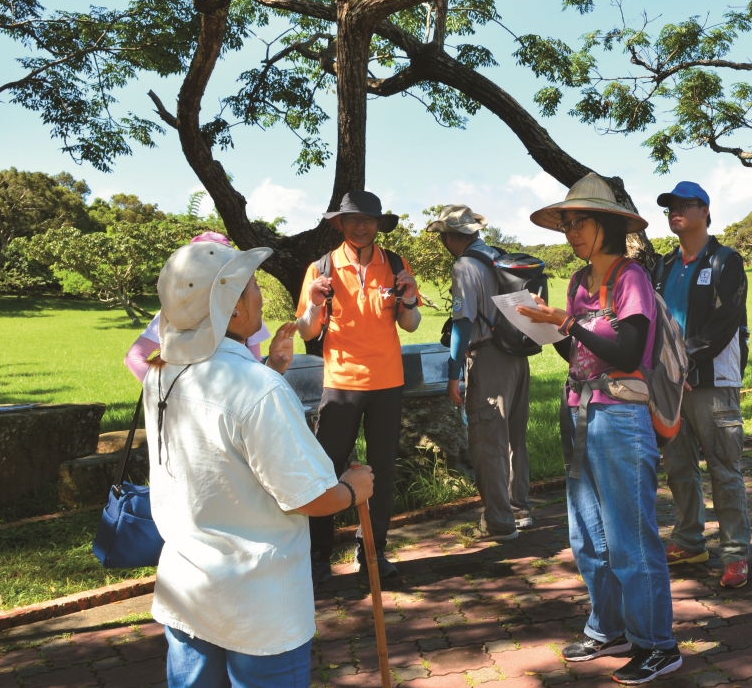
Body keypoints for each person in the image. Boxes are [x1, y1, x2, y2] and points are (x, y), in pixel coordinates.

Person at [147, 240, 375, 688]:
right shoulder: (255, 389)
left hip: (188, 583)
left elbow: (224, 444)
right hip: (260, 594)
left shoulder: (164, 375)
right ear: (230, 308)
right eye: (247, 288)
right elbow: (306, 496)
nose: (258, 296)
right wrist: (353, 490)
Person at [517, 173, 680, 685]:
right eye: (565, 224)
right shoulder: (576, 282)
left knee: (631, 536)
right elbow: (579, 353)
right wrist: (545, 329)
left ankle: (658, 643)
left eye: (578, 221)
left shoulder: (630, 278)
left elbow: (629, 351)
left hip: (621, 418)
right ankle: (607, 626)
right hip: (579, 410)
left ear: (606, 223)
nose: (570, 232)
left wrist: (568, 323)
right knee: (587, 534)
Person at [295, 192, 420, 588]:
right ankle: (318, 555)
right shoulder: (322, 268)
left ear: (378, 224)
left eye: (367, 219)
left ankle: (372, 551)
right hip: (341, 382)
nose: (360, 226)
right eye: (352, 220)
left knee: (381, 471)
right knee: (325, 470)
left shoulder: (396, 265)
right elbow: (306, 330)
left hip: (387, 382)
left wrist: (411, 299)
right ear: (340, 225)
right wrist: (315, 304)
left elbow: (411, 325)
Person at [650, 181, 752, 588]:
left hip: (712, 382)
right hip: (671, 385)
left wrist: (684, 365)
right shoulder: (664, 266)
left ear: (705, 211)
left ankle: (735, 553)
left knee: (724, 470)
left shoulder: (727, 261)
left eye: (685, 205)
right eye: (670, 207)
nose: (676, 211)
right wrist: (666, 371)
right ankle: (690, 540)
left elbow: (725, 323)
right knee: (678, 467)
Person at [425, 203, 531, 541]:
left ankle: (499, 523)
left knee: (488, 441)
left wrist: (454, 373)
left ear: (451, 237)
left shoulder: (465, 266)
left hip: (489, 359)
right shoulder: (497, 256)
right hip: (519, 355)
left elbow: (462, 324)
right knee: (514, 439)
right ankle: (519, 509)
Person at [125, 232, 272, 381]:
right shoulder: (173, 313)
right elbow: (134, 356)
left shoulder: (245, 314)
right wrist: (162, 388)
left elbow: (254, 366)